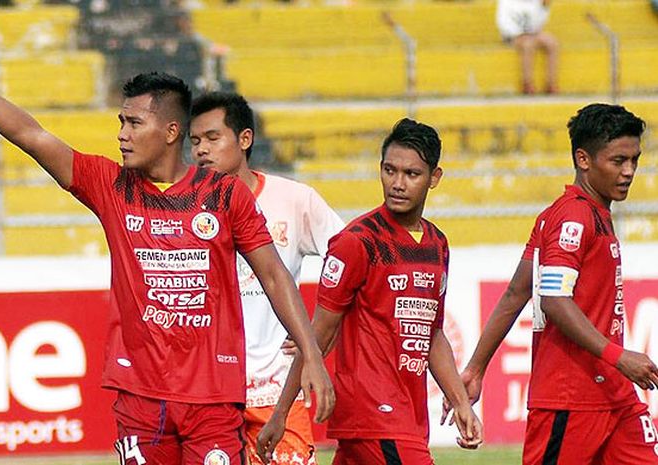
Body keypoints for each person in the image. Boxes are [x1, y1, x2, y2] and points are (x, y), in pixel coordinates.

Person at [0, 41, 334, 465]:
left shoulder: (225, 195)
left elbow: (274, 276)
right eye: (121, 121)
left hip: (212, 400)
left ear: (171, 132)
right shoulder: (110, 185)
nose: (122, 134)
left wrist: (312, 357)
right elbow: (31, 134)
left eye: (134, 123)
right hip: (139, 399)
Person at [257, 118, 483, 465]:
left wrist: (461, 402)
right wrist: (281, 414)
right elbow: (318, 333)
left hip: (404, 419)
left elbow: (432, 332)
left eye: (411, 174)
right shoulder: (357, 242)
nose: (397, 184)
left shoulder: (437, 244)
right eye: (390, 171)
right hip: (375, 417)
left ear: (434, 178)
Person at [442, 103, 658, 465]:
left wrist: (476, 368)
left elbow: (516, 293)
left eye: (634, 159)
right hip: (570, 398)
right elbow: (554, 299)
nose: (629, 171)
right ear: (583, 159)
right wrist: (618, 357)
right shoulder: (572, 217)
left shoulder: (583, 215)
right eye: (618, 160)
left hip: (614, 396)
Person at [189, 91, 344, 465]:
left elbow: (351, 261)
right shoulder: (185, 207)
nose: (201, 151)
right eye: (194, 142)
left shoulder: (295, 199)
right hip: (209, 393)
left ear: (244, 139)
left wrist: (322, 332)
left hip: (278, 392)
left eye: (212, 138)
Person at [496, 0, 559, 94]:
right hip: (513, 35)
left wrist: (544, 8)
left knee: (552, 43)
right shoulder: (506, 2)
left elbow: (537, 23)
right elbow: (503, 21)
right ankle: (527, 83)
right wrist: (518, 33)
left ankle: (551, 83)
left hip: (532, 33)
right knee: (528, 45)